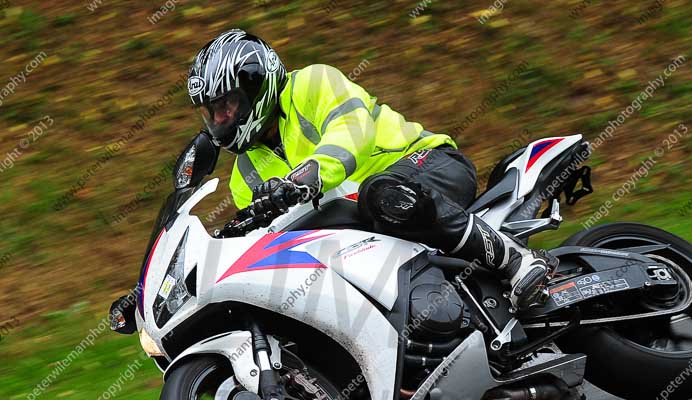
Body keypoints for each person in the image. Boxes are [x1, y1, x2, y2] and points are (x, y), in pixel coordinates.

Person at [187, 29, 557, 309]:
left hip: (427, 165)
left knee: (379, 192)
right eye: (212, 112)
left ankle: (514, 260)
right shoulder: (244, 175)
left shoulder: (311, 84)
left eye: (227, 105)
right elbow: (265, 235)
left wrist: (307, 177)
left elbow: (352, 131)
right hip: (366, 226)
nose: (221, 119)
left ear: (256, 85)